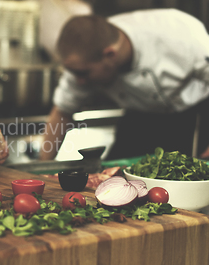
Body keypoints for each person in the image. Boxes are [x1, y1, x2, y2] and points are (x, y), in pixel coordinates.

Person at [40, 9, 209, 161]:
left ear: (110, 54)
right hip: (137, 116)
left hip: (191, 114)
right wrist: (42, 167)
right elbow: (62, 113)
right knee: (115, 177)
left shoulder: (183, 40)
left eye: (83, 74)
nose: (79, 82)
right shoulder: (83, 57)